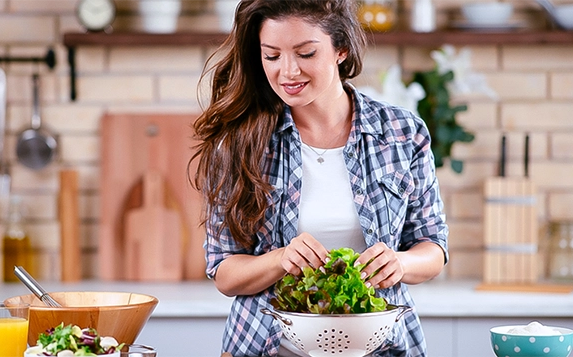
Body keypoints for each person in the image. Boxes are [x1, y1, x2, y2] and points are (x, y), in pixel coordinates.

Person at [190, 0, 448, 356]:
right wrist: (280, 259)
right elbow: (224, 271)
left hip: (382, 347)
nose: (288, 72)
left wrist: (400, 262)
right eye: (272, 56)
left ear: (341, 48)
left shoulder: (402, 132)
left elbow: (433, 248)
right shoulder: (239, 141)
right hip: (266, 347)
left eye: (305, 53)